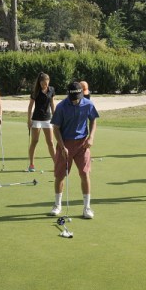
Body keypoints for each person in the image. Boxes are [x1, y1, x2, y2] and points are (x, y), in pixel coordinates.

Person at [48, 82, 99, 219]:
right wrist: (62, 145)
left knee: (84, 174)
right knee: (60, 176)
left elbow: (93, 119)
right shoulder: (61, 107)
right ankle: (57, 205)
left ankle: (87, 208)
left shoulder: (88, 104)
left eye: (78, 97)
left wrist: (91, 137)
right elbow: (56, 128)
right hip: (65, 143)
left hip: (82, 144)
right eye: (73, 97)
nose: (75, 100)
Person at [26, 72, 56, 172]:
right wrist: (29, 120)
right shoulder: (36, 91)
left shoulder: (51, 90)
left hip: (48, 119)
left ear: (49, 81)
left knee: (51, 142)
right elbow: (30, 106)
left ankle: (56, 164)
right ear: (40, 82)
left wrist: (55, 117)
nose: (45, 85)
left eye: (46, 83)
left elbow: (52, 104)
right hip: (36, 119)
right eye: (43, 83)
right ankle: (31, 164)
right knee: (34, 141)